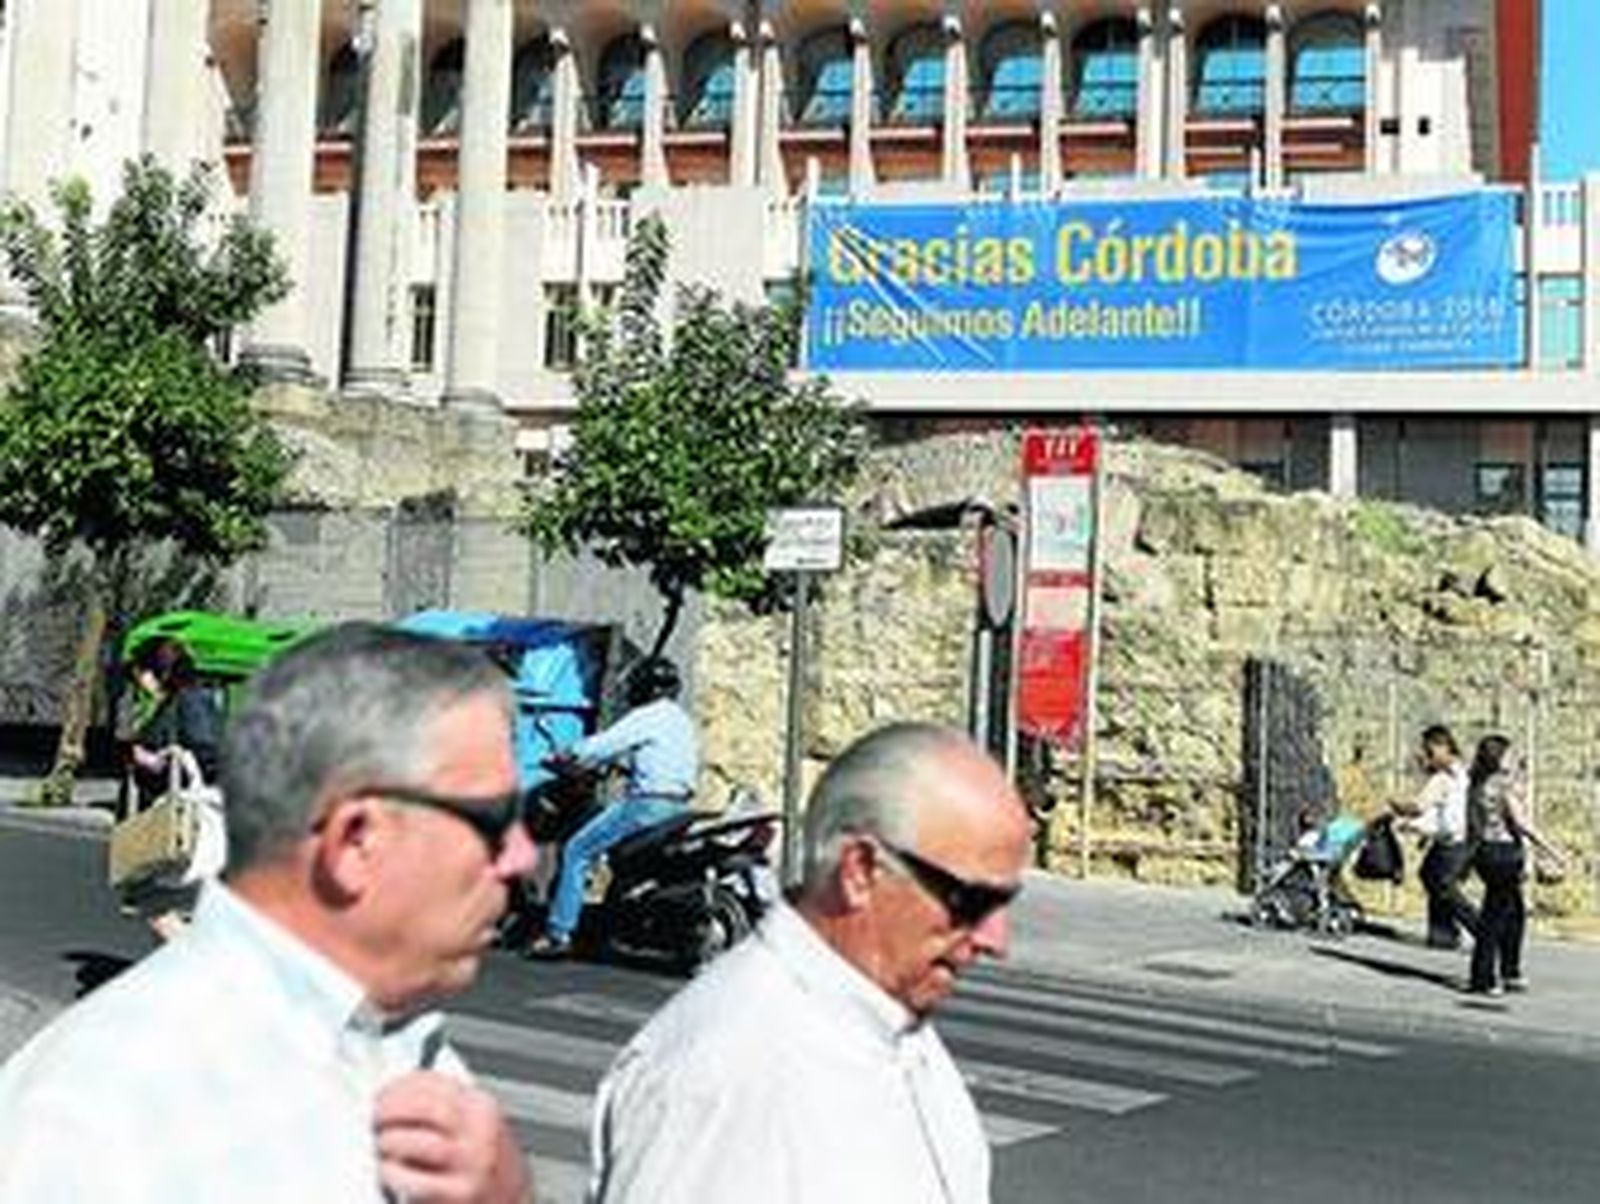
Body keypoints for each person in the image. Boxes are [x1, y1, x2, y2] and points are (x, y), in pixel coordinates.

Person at [0, 622, 537, 1204]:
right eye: (491, 820)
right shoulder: (105, 1115)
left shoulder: (406, 1052)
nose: (522, 856)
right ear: (355, 839)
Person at [588, 721, 1032, 1203]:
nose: (995, 939)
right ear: (862, 872)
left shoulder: (897, 1028)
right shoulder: (723, 1075)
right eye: (971, 901)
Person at [526, 655, 698, 958]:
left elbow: (604, 744)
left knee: (577, 850)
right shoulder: (681, 720)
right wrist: (623, 767)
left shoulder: (647, 715)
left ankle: (558, 933)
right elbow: (658, 759)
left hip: (647, 805)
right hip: (678, 806)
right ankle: (611, 931)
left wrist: (568, 754)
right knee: (625, 862)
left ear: (645, 687)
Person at [117, 636, 228, 941]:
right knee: (169, 906)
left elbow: (208, 755)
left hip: (190, 818)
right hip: (176, 817)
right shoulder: (179, 700)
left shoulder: (191, 699)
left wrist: (156, 761)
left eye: (142, 673)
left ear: (159, 670)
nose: (141, 682)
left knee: (152, 902)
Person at [1465, 734, 1567, 996]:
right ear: (1499, 757)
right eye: (1509, 753)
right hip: (1503, 854)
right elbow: (1521, 822)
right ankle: (1484, 977)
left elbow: (1474, 825)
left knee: (1514, 912)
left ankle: (1509, 971)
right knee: (1495, 917)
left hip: (1486, 853)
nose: (1514, 757)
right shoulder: (1501, 785)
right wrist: (1552, 850)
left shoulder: (1476, 783)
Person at [1391, 723, 1480, 949]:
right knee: (1430, 874)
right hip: (1456, 839)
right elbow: (1438, 813)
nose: (1427, 756)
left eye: (1430, 751)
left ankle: (1479, 929)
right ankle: (1443, 932)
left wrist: (1398, 807)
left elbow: (1419, 806)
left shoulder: (1448, 777)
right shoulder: (1461, 773)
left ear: (1444, 746)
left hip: (1456, 840)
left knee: (1444, 884)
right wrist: (1415, 827)